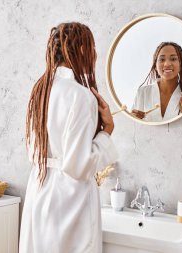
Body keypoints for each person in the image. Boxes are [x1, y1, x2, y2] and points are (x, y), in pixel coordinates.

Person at [19, 22, 118, 253]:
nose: (95, 55)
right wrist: (107, 130)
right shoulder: (81, 96)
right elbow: (78, 166)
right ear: (82, 50)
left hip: (40, 189)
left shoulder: (40, 91)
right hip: (68, 199)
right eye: (92, 48)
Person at [131, 42, 182, 122]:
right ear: (155, 66)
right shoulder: (143, 92)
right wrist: (134, 119)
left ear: (181, 65)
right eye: (162, 59)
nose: (167, 64)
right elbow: (133, 127)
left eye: (173, 59)